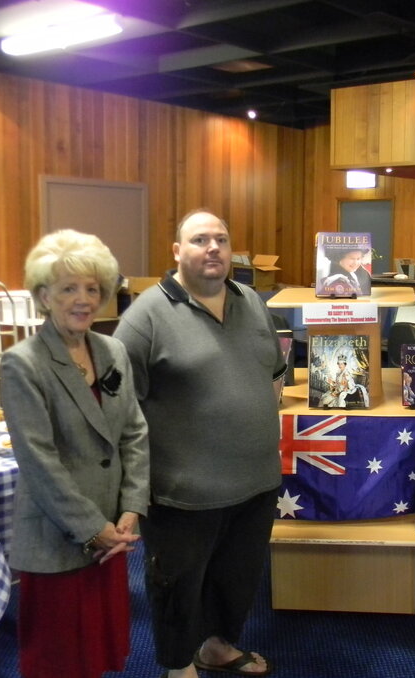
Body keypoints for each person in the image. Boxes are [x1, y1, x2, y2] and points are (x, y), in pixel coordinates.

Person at [114, 210, 285, 678]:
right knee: (177, 586)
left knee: (236, 578)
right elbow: (120, 407)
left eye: (221, 240)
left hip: (255, 482)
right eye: (199, 239)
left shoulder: (251, 301)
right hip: (182, 493)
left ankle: (216, 647)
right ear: (177, 251)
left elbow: (273, 373)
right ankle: (177, 665)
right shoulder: (145, 317)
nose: (213, 248)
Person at [0, 229, 150, 678]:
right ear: (44, 296)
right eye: (68, 289)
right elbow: (38, 461)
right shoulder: (23, 362)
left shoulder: (113, 350)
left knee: (97, 650)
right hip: (59, 536)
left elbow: (134, 432)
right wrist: (92, 529)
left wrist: (132, 508)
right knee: (58, 657)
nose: (83, 300)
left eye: (92, 289)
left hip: (112, 533)